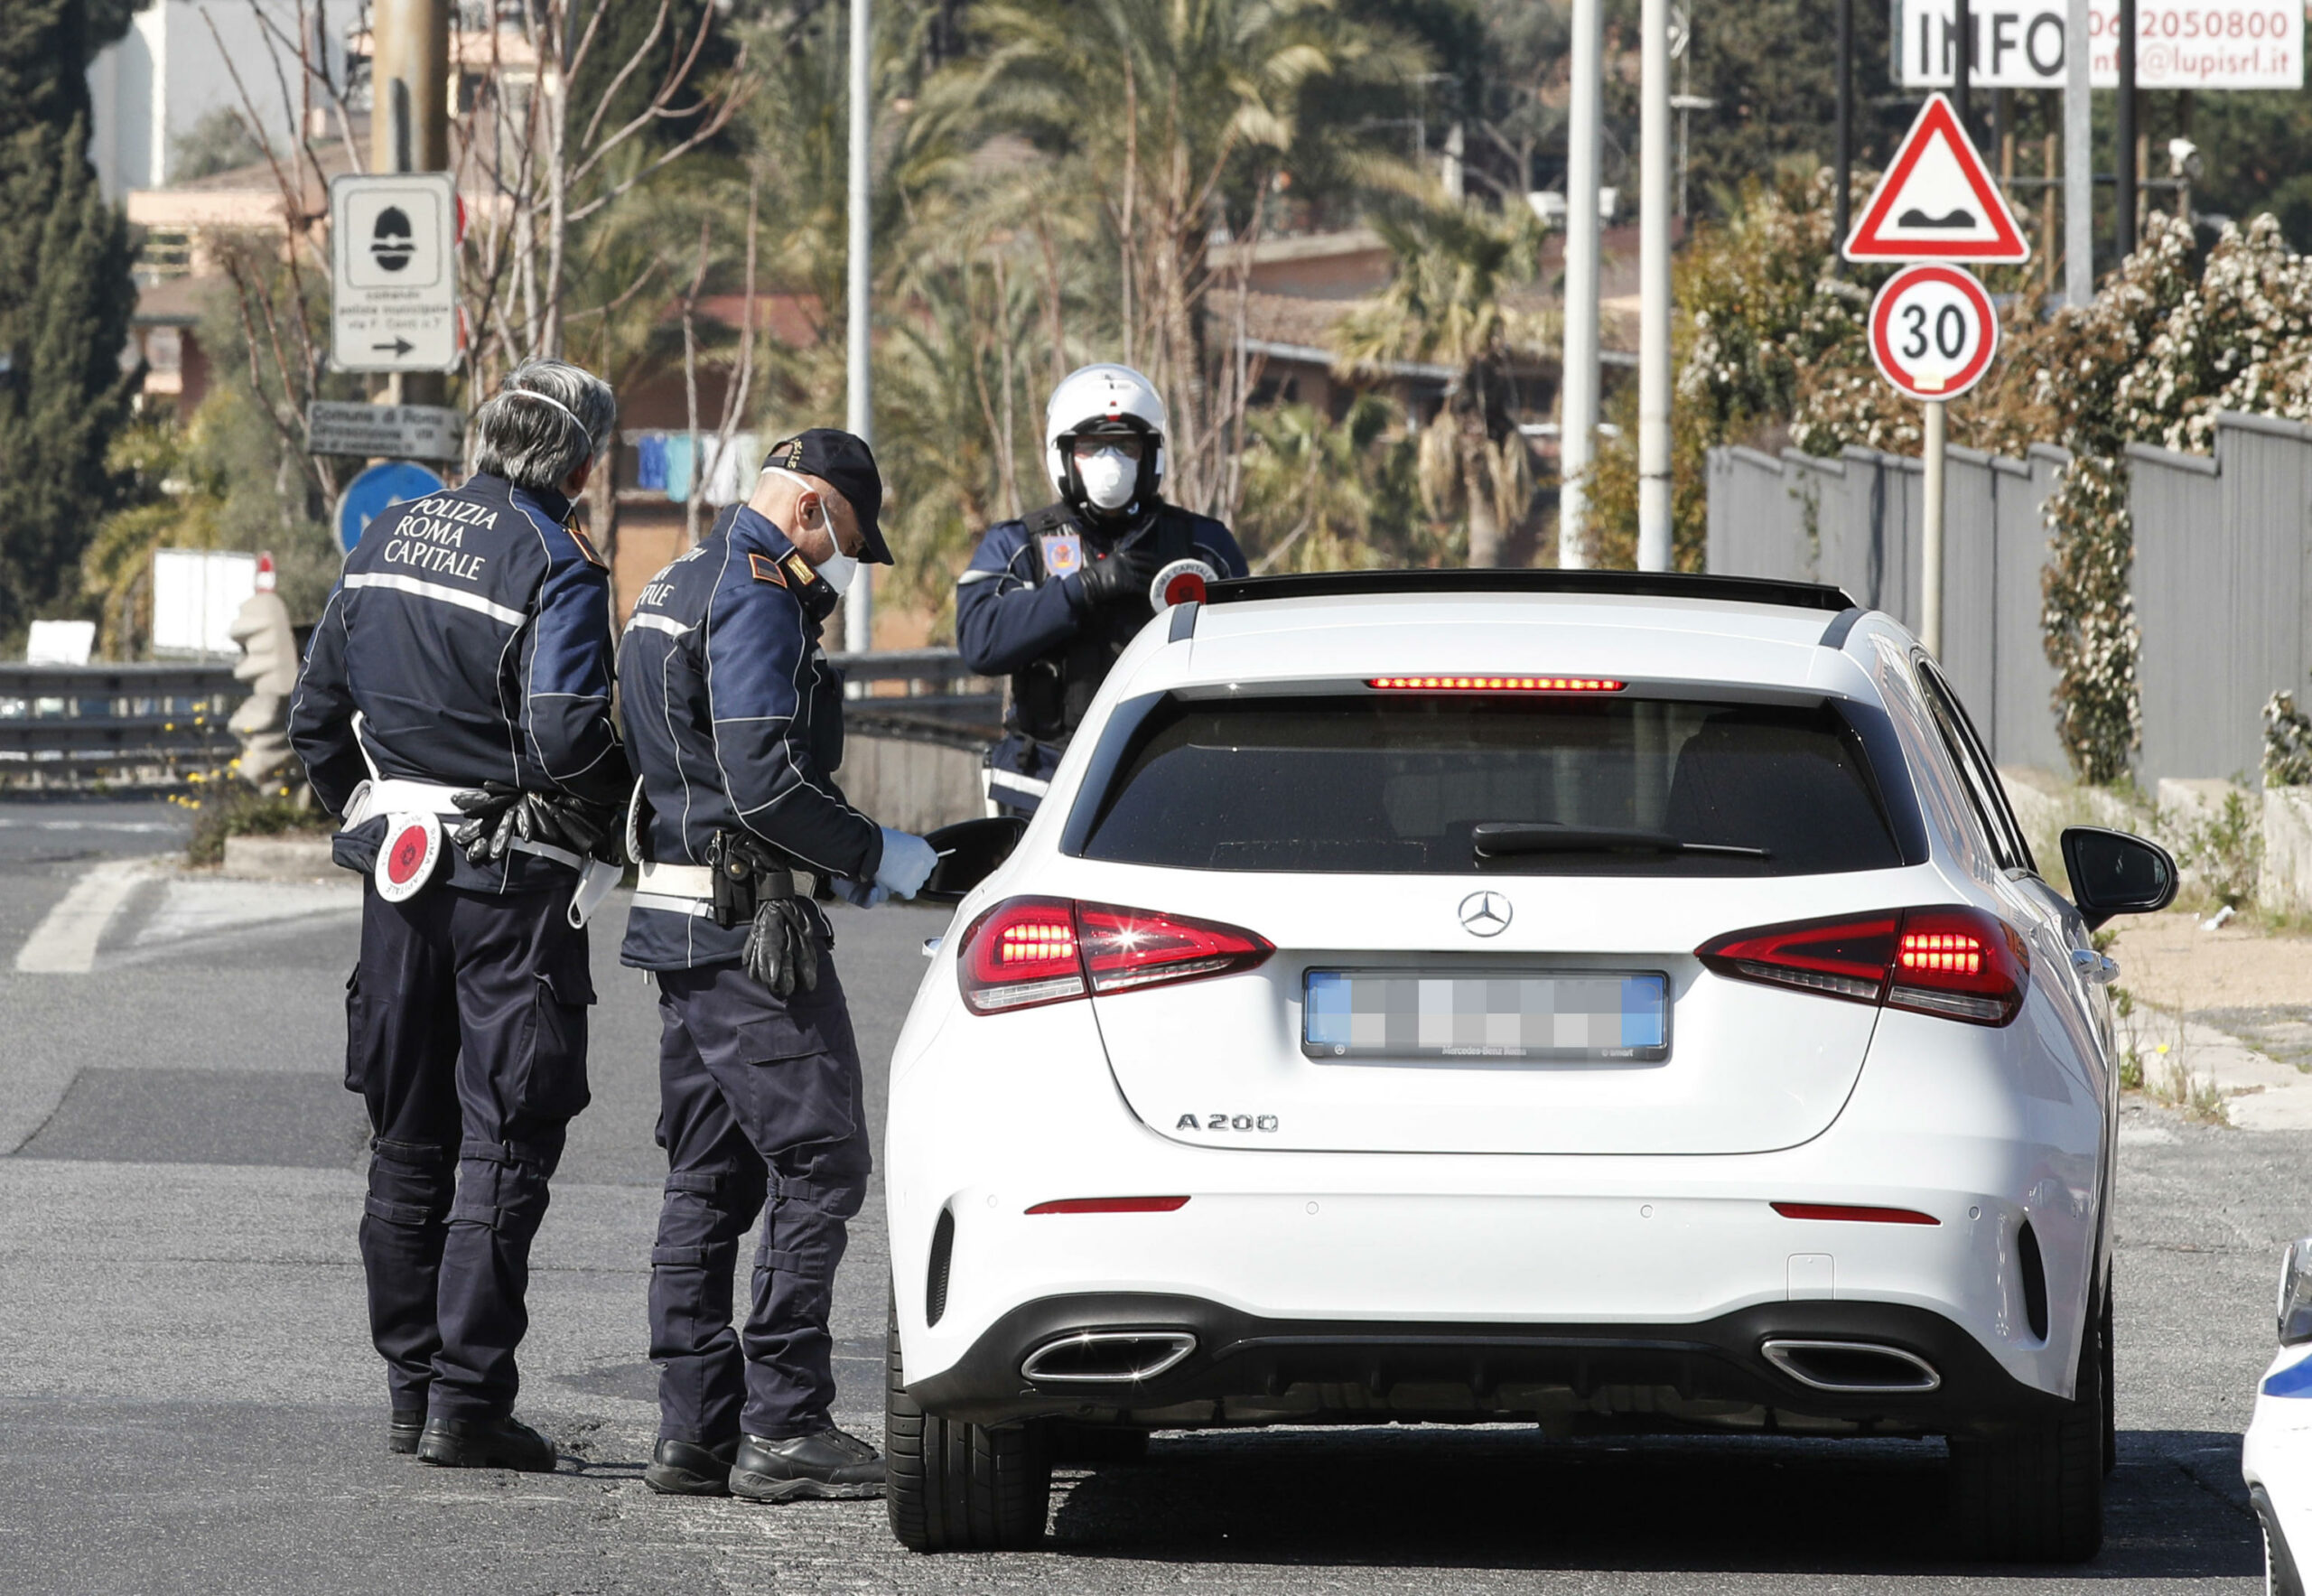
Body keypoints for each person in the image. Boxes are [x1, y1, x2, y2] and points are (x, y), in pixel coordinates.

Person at [289, 359, 630, 1472]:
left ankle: (410, 1392)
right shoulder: (559, 559)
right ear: (580, 460)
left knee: (404, 1141)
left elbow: (314, 723)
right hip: (511, 888)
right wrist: (605, 819)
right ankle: (469, 1405)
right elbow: (571, 735)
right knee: (504, 1139)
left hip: (397, 879)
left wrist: (373, 817)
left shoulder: (386, 533)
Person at [616, 429, 938, 1503]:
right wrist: (878, 855)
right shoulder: (755, 592)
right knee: (822, 1162)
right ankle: (785, 1424)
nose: (841, 569)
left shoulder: (672, 579)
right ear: (807, 512)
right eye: (844, 542)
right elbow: (760, 779)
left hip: (679, 922)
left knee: (709, 1175)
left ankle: (693, 1429)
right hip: (751, 928)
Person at [955, 363, 1248, 816]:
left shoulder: (1204, 544)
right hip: (1046, 790)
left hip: (1174, 780)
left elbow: (1248, 649)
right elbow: (980, 641)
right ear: (1065, 455)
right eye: (1092, 446)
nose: (1110, 462)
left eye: (1125, 445)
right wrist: (1080, 590)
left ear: (1151, 455)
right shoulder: (1021, 543)